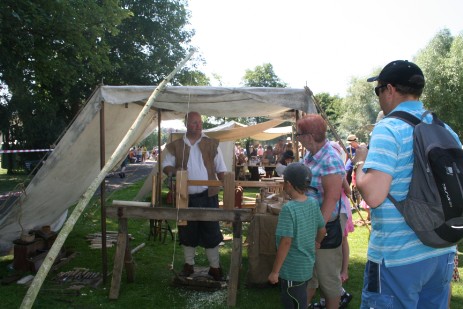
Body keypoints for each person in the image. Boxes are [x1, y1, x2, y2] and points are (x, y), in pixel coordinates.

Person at [355, 60, 458, 308]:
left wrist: (360, 163)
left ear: (389, 89)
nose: (378, 97)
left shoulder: (388, 128)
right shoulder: (445, 129)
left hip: (397, 257)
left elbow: (374, 195)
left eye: (377, 90)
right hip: (441, 249)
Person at [161, 111, 227, 281]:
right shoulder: (176, 145)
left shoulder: (211, 144)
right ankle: (189, 265)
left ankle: (215, 267)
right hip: (185, 196)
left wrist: (229, 183)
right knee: (186, 231)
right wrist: (175, 172)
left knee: (211, 231)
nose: (198, 126)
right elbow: (166, 166)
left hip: (208, 195)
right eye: (194, 123)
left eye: (199, 122)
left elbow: (221, 169)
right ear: (186, 125)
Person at [296, 114, 346, 309]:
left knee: (328, 281)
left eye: (299, 134)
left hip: (324, 227)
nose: (298, 138)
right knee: (309, 276)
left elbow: (331, 199)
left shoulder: (330, 158)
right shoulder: (310, 156)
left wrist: (319, 232)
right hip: (310, 225)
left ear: (309, 136)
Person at [268, 162, 326, 309]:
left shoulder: (289, 209)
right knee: (300, 298)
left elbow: (286, 242)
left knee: (293, 302)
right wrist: (317, 243)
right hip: (306, 266)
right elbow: (322, 230)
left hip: (291, 270)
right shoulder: (313, 203)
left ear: (288, 184)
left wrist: (275, 271)